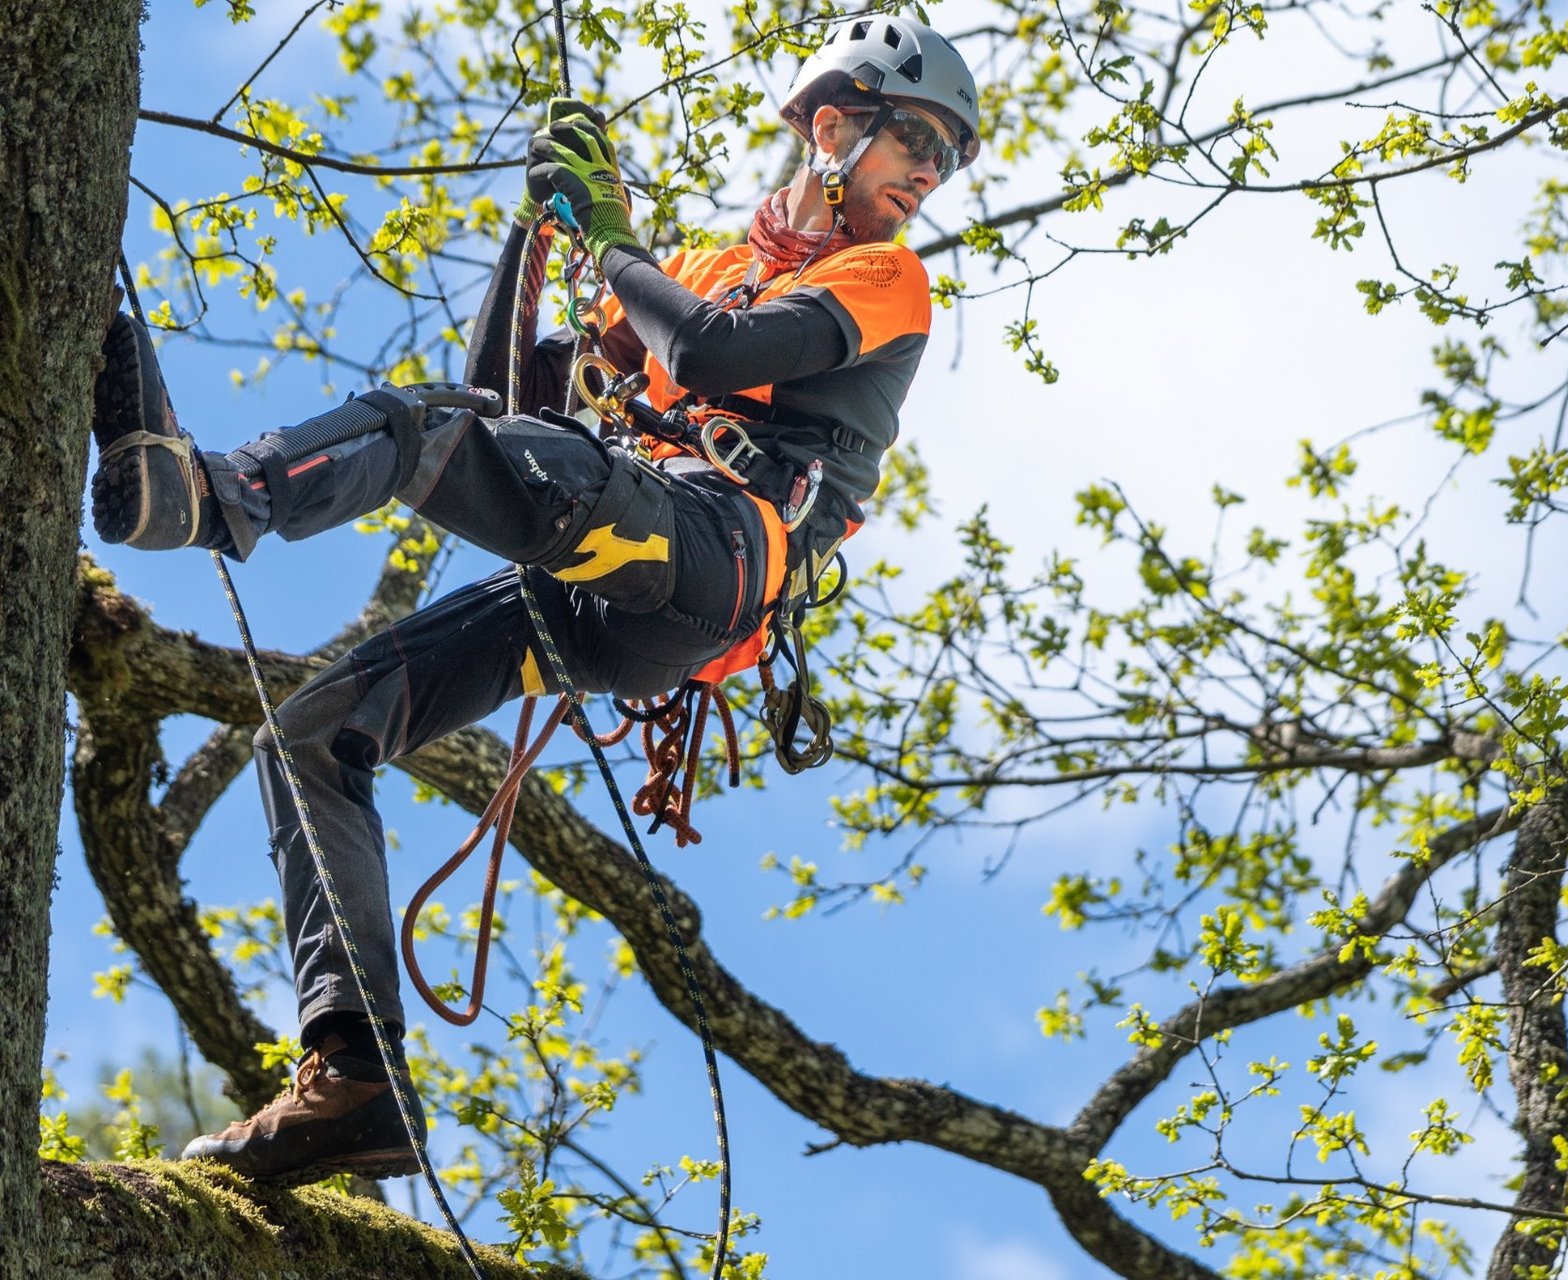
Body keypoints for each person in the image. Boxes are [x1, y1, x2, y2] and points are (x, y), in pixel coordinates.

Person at [89, 16, 980, 1185]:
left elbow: (712, 354)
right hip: (613, 597)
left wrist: (608, 235)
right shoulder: (707, 267)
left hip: (714, 554)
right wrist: (537, 230)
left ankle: (209, 498)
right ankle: (355, 1077)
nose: (929, 173)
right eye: (914, 137)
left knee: (429, 433)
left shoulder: (884, 279)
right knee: (308, 734)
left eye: (946, 160)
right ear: (833, 124)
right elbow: (506, 398)